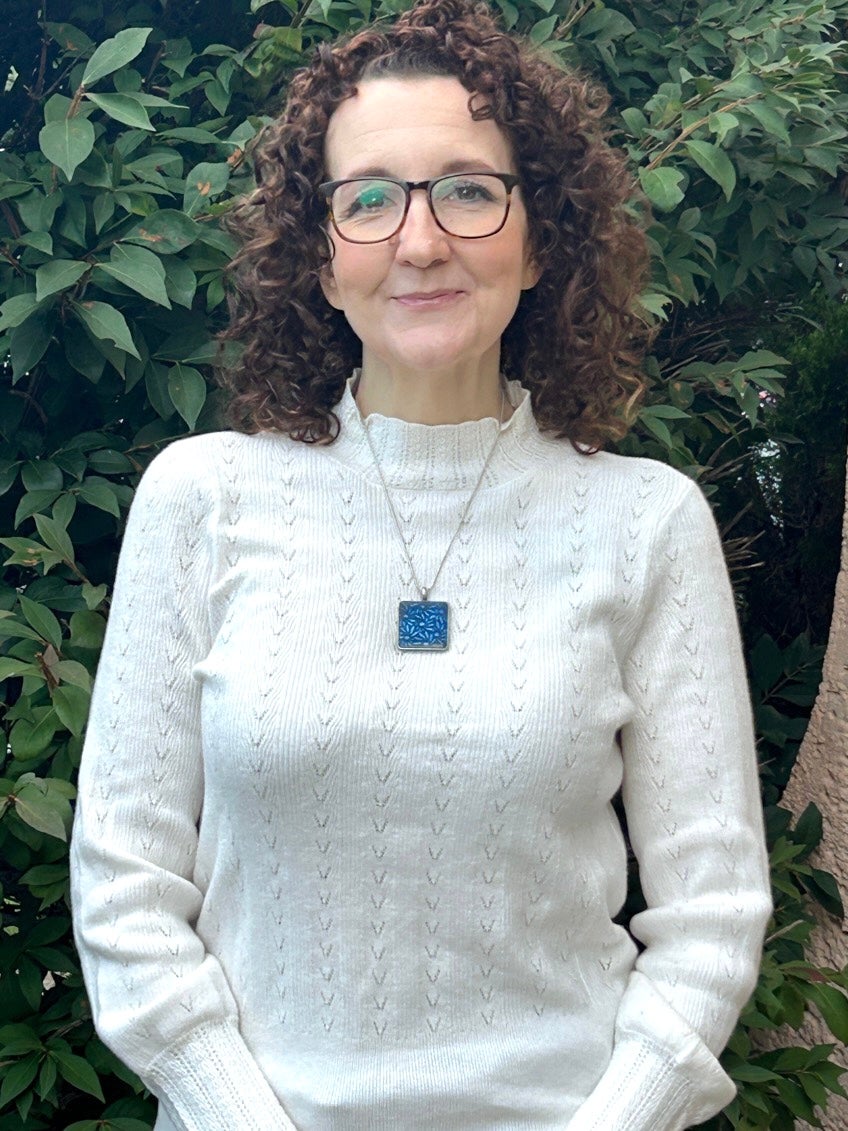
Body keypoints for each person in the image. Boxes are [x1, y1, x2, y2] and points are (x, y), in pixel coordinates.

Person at [70, 0, 773, 1128]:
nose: (419, 240)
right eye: (367, 200)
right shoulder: (202, 500)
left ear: (540, 239)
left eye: (467, 188)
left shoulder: (645, 524)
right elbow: (123, 890)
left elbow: (714, 915)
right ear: (319, 259)